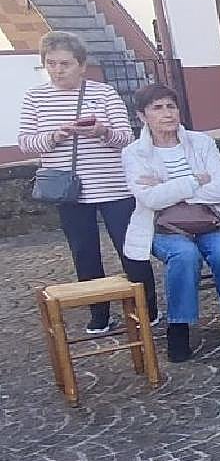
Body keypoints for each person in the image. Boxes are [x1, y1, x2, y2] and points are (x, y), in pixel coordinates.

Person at [18, 31, 158, 333]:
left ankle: (147, 308)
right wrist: (54, 136)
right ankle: (99, 313)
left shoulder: (104, 94)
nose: (58, 70)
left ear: (81, 65)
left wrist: (102, 133)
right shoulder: (35, 97)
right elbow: (26, 143)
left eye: (65, 64)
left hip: (113, 187)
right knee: (84, 253)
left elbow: (126, 138)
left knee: (130, 249)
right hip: (69, 191)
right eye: (51, 63)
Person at [122, 85, 220, 362]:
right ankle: (178, 328)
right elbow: (151, 199)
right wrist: (194, 180)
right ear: (142, 116)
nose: (167, 114)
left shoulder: (202, 142)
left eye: (171, 106)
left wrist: (169, 187)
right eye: (157, 108)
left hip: (209, 220)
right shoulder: (134, 153)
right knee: (184, 255)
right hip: (163, 227)